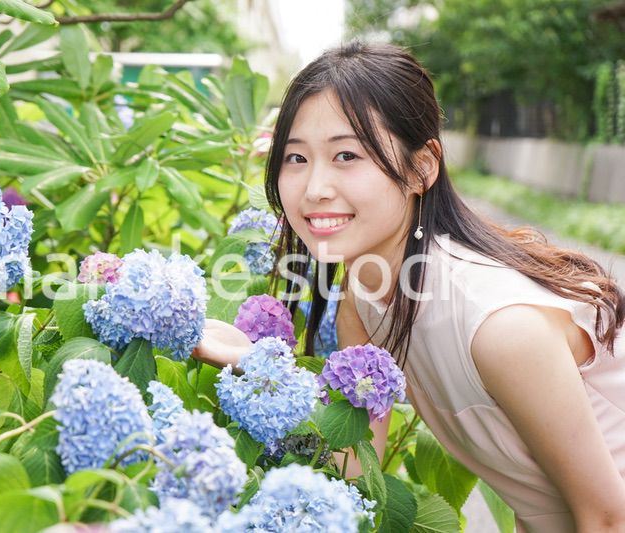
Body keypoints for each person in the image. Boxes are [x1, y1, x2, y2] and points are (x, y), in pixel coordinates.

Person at [192, 40, 625, 532]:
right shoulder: (364, 299)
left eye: (346, 155)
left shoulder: (500, 328)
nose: (314, 189)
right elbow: (355, 475)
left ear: (421, 168)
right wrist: (260, 369)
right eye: (296, 158)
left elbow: (608, 517)